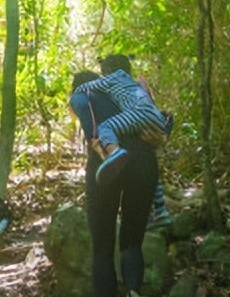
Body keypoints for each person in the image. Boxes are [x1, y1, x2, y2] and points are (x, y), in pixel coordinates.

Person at [67, 68, 158, 297]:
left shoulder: (83, 96)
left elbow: (93, 131)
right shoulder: (125, 98)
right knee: (132, 242)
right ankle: (132, 295)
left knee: (103, 249)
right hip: (144, 160)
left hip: (107, 162)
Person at [70, 54, 172, 228]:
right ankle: (157, 211)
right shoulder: (133, 90)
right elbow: (164, 117)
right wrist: (164, 135)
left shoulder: (89, 97)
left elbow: (93, 132)